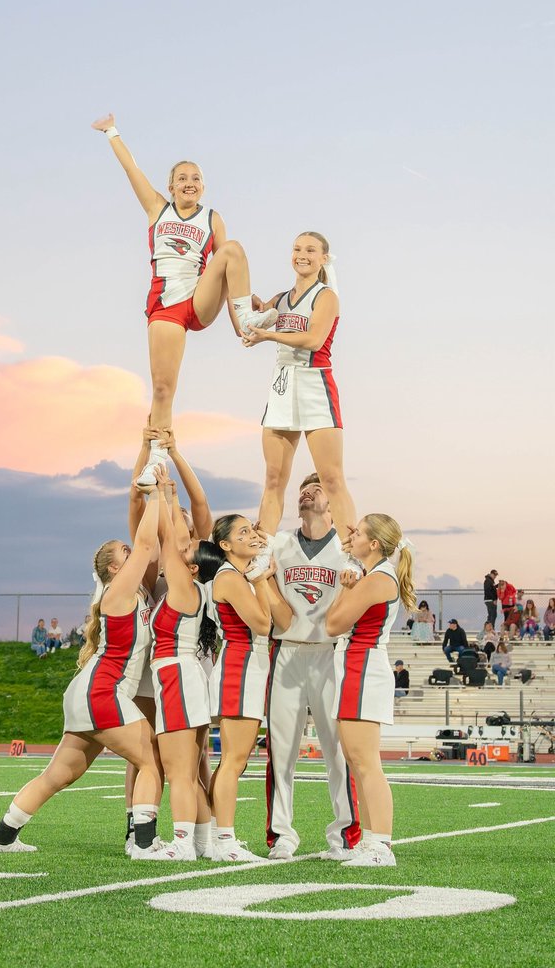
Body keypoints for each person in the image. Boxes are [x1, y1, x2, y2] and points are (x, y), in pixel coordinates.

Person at [0, 472, 164, 854]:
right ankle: (145, 844)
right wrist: (158, 493)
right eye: (125, 554)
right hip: (103, 691)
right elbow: (147, 541)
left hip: (90, 691)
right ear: (115, 569)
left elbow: (147, 543)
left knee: (60, 775)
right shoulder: (119, 593)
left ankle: (1, 839)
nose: (133, 555)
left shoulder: (125, 592)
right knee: (151, 758)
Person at [92, 114, 263, 484]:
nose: (190, 182)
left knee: (232, 249)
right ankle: (157, 460)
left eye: (196, 178)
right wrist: (112, 132)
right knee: (163, 387)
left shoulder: (212, 218)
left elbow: (227, 268)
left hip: (200, 300)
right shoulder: (157, 208)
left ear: (203, 187)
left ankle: (247, 323)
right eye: (182, 178)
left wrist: (248, 313)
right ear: (170, 186)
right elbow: (130, 168)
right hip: (166, 305)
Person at [262, 473, 362, 862]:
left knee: (338, 750)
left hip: (330, 652)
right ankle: (281, 835)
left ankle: (344, 833)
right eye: (305, 487)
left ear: (334, 502)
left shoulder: (348, 548)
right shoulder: (280, 543)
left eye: (318, 487)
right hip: (286, 650)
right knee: (280, 750)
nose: (309, 491)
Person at [241, 232, 356, 550]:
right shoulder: (280, 299)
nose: (301, 254)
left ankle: (353, 553)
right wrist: (252, 307)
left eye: (310, 250)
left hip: (315, 383)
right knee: (274, 478)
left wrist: (269, 335)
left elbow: (313, 340)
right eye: (296, 248)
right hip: (282, 386)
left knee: (331, 478)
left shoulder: (326, 297)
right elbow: (255, 320)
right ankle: (260, 552)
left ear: (323, 258)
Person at [326, 512, 416, 868]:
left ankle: (381, 844)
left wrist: (346, 586)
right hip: (353, 667)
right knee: (356, 761)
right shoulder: (373, 574)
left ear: (374, 543)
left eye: (359, 533)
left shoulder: (378, 578)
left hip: (363, 668)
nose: (353, 537)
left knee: (366, 763)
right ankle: (370, 841)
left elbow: (333, 623)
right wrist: (350, 581)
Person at [197, 515, 274, 863]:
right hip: (240, 668)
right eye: (242, 532)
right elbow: (262, 622)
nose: (250, 535)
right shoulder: (230, 577)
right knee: (234, 760)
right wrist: (261, 580)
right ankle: (223, 840)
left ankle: (216, 835)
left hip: (244, 666)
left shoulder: (234, 576)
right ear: (225, 545)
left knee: (233, 761)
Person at [144, 476, 213, 861]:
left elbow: (170, 540)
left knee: (179, 772)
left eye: (189, 555)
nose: (180, 554)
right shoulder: (195, 589)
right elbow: (172, 542)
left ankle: (183, 843)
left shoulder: (186, 587)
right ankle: (204, 842)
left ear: (194, 566)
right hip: (187, 677)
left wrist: (164, 494)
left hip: (176, 675)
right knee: (189, 770)